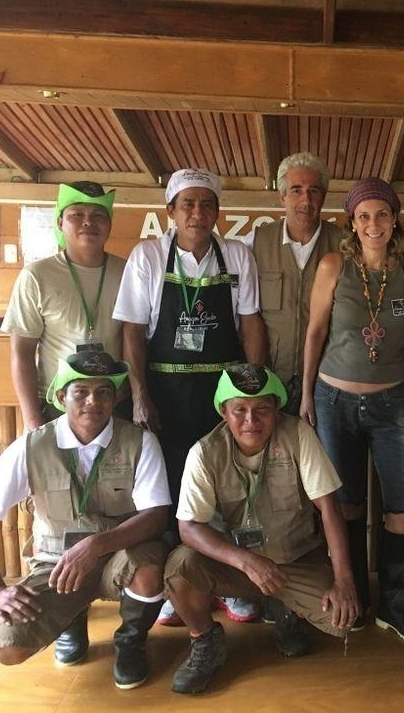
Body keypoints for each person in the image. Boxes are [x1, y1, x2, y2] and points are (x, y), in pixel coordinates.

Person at [0, 351, 170, 690]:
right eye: (80, 392)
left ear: (116, 397)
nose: (92, 401)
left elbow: (156, 516)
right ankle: (70, 617)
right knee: (7, 647)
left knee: (149, 569)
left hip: (120, 555)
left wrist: (97, 544)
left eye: (103, 391)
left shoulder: (140, 442)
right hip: (57, 563)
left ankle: (131, 641)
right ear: (61, 397)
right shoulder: (31, 446)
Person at [114, 167, 267, 624]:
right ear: (171, 212)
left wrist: (251, 390)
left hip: (221, 393)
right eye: (188, 204)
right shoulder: (146, 257)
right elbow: (134, 333)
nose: (198, 213)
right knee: (171, 487)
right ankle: (172, 587)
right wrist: (140, 395)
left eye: (207, 204)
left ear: (218, 212)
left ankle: (229, 584)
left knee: (227, 484)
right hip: (166, 391)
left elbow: (252, 325)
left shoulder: (237, 255)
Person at [164, 364, 358, 694]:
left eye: (262, 409)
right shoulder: (205, 452)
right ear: (224, 412)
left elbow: (329, 509)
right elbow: (189, 527)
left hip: (292, 559)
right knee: (180, 568)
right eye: (239, 410)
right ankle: (205, 642)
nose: (251, 421)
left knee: (341, 617)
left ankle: (285, 611)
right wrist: (247, 561)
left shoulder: (298, 434)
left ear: (276, 410)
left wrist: (344, 580)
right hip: (234, 565)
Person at [299, 177, 404, 642]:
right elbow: (314, 332)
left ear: (395, 219)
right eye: (363, 216)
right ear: (352, 224)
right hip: (333, 401)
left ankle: (394, 605)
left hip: (394, 401)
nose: (373, 224)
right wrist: (305, 395)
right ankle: (353, 596)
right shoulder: (334, 265)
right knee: (346, 505)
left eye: (381, 214)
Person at [2, 181, 127, 430]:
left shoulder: (128, 272)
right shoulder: (36, 275)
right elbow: (22, 351)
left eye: (98, 215)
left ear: (109, 223)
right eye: (77, 214)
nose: (88, 222)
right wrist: (31, 419)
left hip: (115, 403)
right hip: (57, 406)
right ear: (60, 222)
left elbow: (137, 340)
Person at [247, 152, 343, 413]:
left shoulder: (346, 247)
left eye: (314, 191)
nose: (306, 200)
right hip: (271, 380)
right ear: (282, 196)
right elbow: (244, 315)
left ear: (323, 197)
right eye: (296, 190)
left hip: (328, 382)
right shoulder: (255, 243)